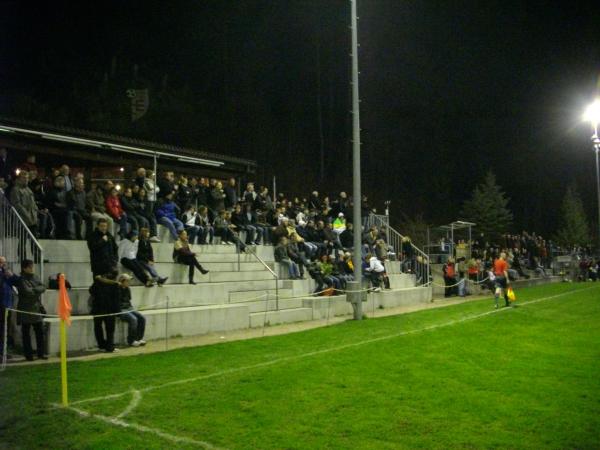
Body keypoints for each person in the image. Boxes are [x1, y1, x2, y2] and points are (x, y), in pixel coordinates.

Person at [11, 260, 47, 361]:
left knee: (39, 333)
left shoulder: (35, 277)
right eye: (30, 267)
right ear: (24, 268)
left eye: (32, 266)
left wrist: (35, 290)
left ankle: (41, 354)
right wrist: (37, 290)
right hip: (25, 310)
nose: (32, 268)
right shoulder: (21, 279)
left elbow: (43, 287)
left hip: (36, 309)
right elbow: (27, 292)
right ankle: (29, 355)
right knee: (26, 334)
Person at [90, 271, 120, 352]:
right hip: (109, 309)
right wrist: (117, 311)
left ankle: (102, 345)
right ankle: (110, 346)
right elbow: (116, 299)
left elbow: (91, 291)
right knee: (110, 329)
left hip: (98, 309)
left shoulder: (98, 283)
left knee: (98, 328)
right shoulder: (115, 285)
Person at [117, 274, 147, 347]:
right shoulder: (116, 289)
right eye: (127, 281)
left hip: (129, 308)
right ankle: (131, 340)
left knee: (142, 318)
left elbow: (128, 300)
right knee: (133, 319)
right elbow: (117, 303)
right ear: (122, 281)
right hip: (120, 309)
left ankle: (138, 338)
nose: (129, 282)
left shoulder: (128, 289)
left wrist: (131, 308)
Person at [0, 256, 15, 359]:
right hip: (1, 304)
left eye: (5, 263)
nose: (4, 265)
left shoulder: (6, 273)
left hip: (7, 304)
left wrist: (10, 275)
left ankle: (3, 351)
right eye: (2, 263)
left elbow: (16, 281)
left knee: (5, 329)